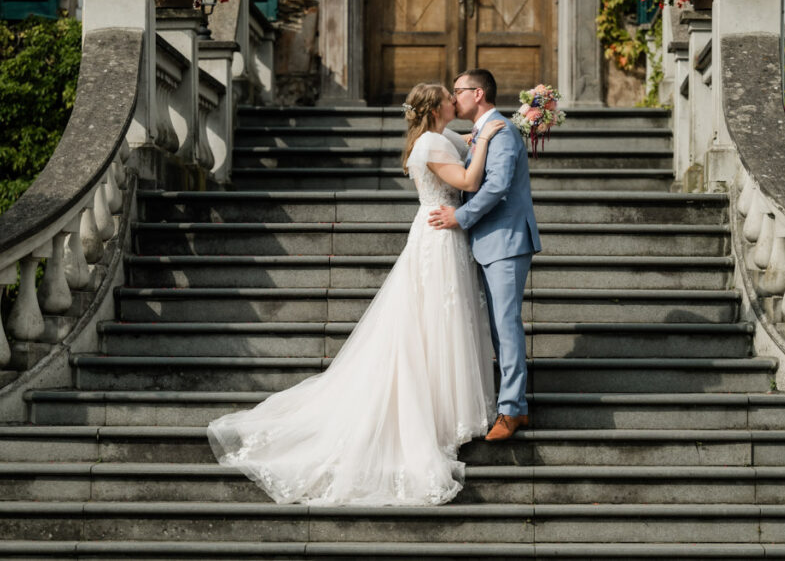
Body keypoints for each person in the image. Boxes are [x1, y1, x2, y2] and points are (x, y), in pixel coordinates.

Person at [207, 83, 505, 506]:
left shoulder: (440, 137)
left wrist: (484, 132)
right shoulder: (433, 143)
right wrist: (491, 136)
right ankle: (437, 411)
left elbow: (468, 145)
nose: (454, 101)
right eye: (448, 97)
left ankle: (448, 405)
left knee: (442, 320)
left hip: (441, 234)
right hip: (439, 237)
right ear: (437, 107)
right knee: (435, 319)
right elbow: (469, 178)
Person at [429, 69, 541, 442]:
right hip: (488, 241)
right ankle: (517, 407)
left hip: (506, 241)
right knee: (497, 325)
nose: (453, 98)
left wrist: (459, 217)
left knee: (506, 325)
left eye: (457, 91)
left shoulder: (502, 132)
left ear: (477, 94)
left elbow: (497, 186)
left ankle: (510, 410)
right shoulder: (484, 130)